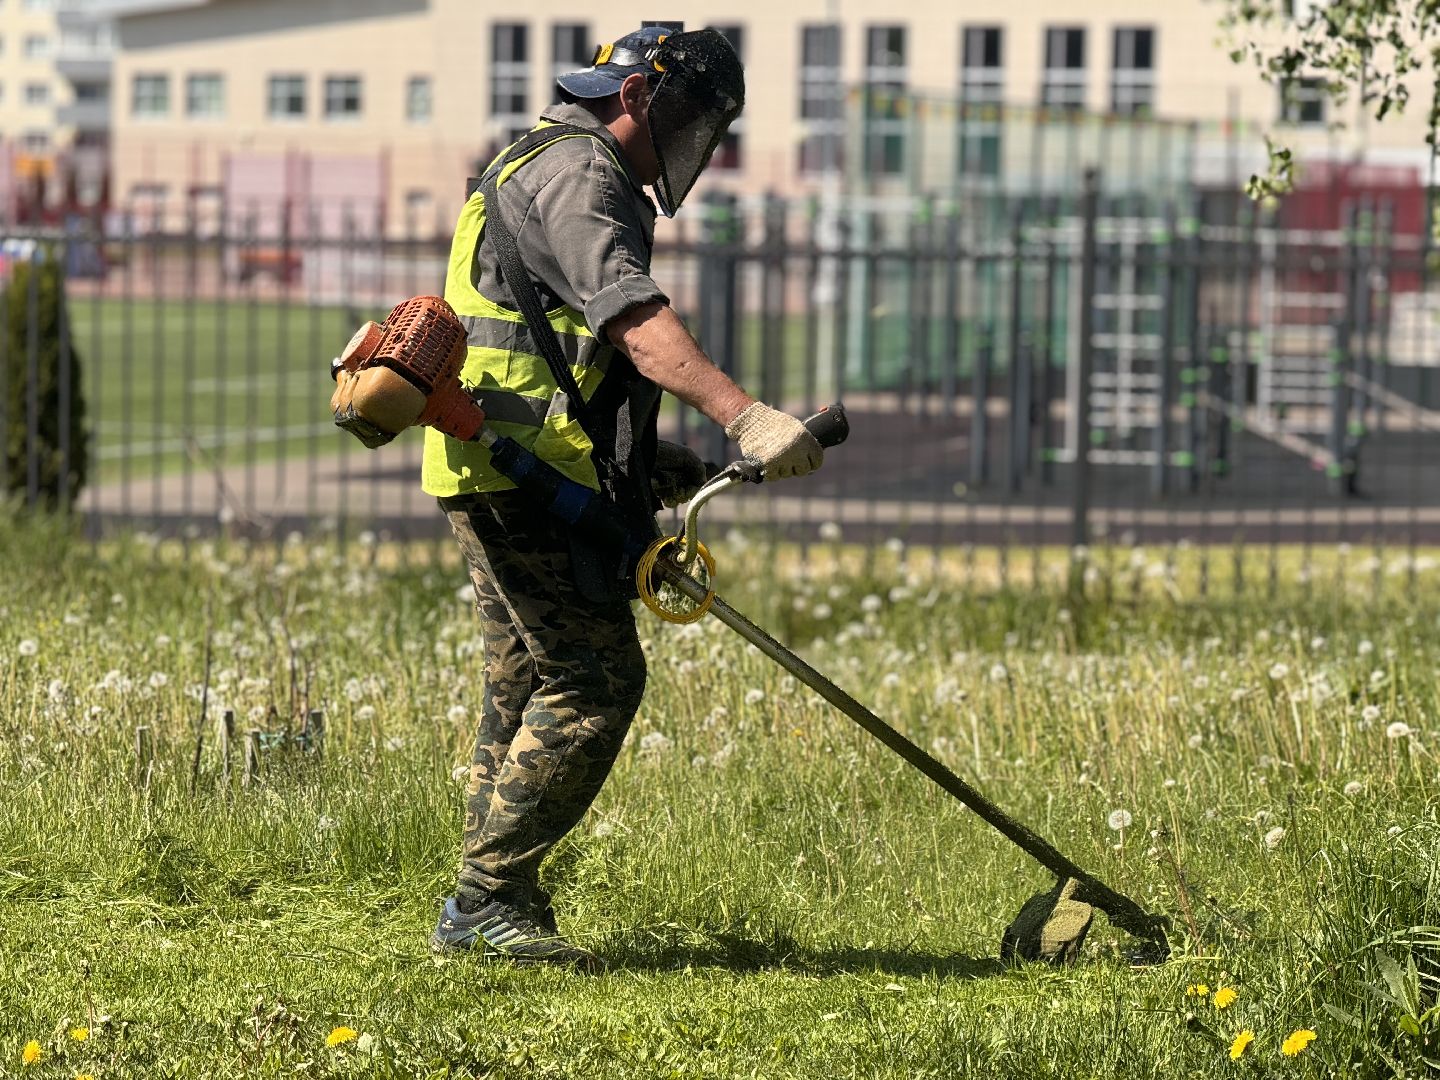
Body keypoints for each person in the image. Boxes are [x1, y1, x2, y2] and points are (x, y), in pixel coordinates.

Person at [424, 25, 824, 970]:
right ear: (638, 93)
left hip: (505, 461)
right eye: (688, 116)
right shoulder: (579, 170)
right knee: (595, 682)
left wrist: (654, 461)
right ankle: (485, 898)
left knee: (526, 681)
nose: (692, 142)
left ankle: (491, 895)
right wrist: (744, 416)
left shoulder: (543, 158)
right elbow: (633, 322)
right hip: (521, 475)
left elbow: (559, 347)